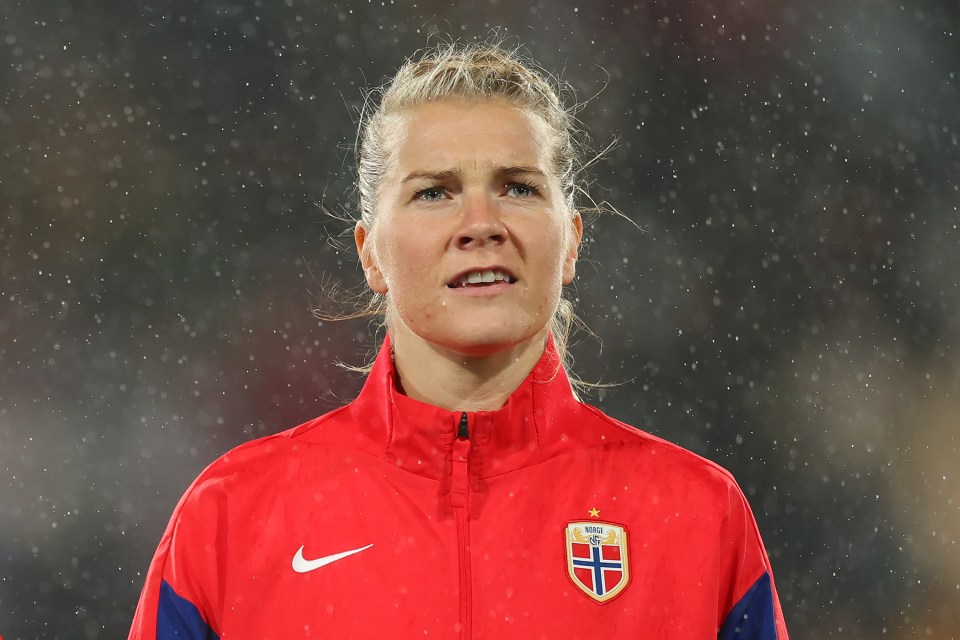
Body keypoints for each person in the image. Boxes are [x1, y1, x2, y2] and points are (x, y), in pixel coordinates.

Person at [129, 41, 789, 639]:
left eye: (518, 187)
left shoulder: (695, 518)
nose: (481, 223)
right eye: (434, 193)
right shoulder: (235, 519)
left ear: (572, 243)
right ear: (370, 254)